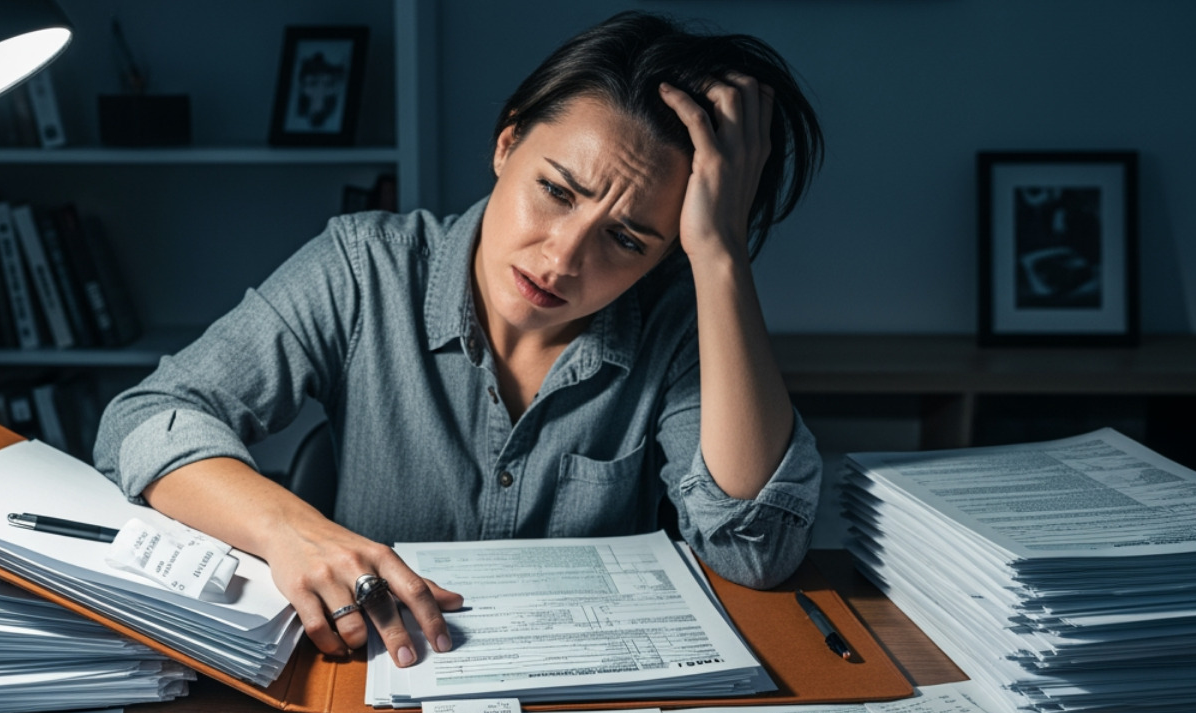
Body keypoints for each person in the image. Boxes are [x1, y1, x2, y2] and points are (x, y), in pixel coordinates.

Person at [96, 11, 824, 673]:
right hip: (373, 673)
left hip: (591, 690)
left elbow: (755, 549)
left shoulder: (679, 318)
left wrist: (721, 253)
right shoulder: (363, 269)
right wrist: (290, 528)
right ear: (507, 143)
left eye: (627, 239)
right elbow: (143, 418)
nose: (564, 258)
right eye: (557, 191)